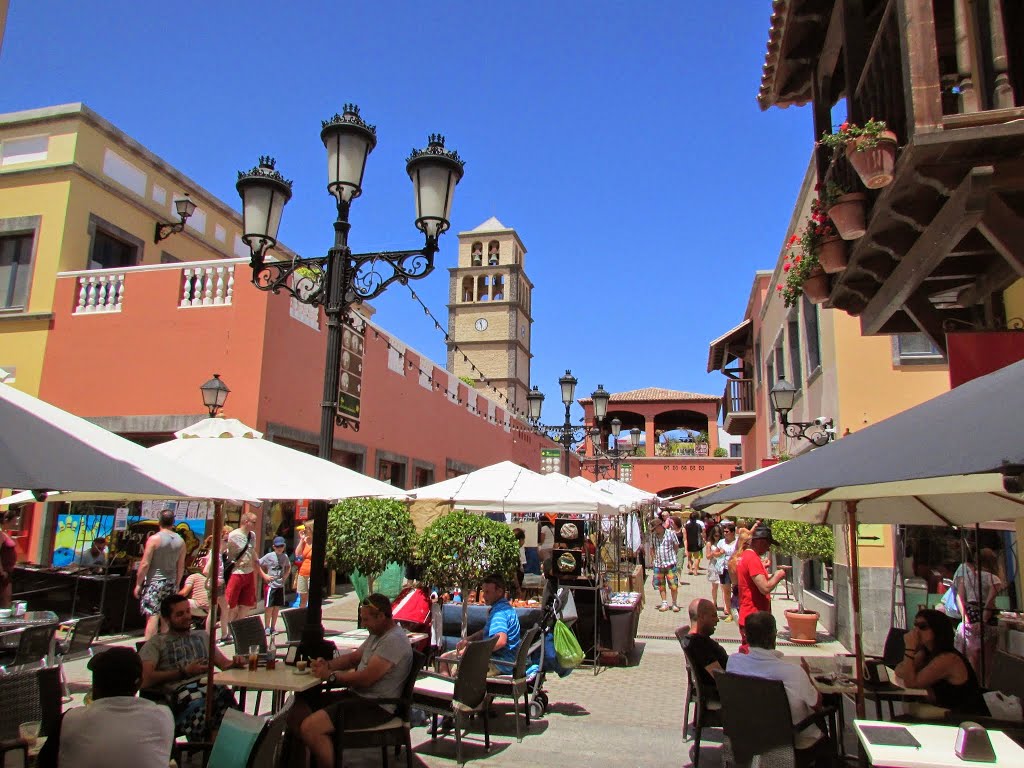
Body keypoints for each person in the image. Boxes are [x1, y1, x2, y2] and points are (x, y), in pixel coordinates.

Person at [291, 593, 413, 768]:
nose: (363, 624)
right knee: (298, 710)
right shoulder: (377, 634)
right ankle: (308, 760)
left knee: (311, 727)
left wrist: (331, 676)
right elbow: (353, 659)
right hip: (356, 698)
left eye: (366, 620)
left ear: (381, 616)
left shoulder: (393, 641)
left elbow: (366, 679)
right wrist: (328, 664)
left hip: (375, 707)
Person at [39, 647, 174, 768]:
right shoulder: (162, 715)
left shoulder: (69, 720)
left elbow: (44, 762)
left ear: (96, 685)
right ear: (138, 683)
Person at [139, 594, 240, 741]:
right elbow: (145, 679)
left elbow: (224, 664)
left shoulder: (202, 636)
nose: (187, 616)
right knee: (199, 708)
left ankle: (227, 747)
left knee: (231, 708)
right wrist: (183, 672)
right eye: (180, 614)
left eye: (187, 611)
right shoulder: (156, 643)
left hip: (211, 688)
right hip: (180, 695)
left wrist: (237, 662)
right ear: (167, 619)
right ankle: (212, 749)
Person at [726, 611, 828, 755]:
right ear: (774, 635)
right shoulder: (794, 672)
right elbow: (816, 704)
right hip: (788, 738)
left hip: (747, 734)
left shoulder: (733, 662)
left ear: (745, 636)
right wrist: (807, 676)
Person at [895, 608, 988, 716]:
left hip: (966, 717)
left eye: (922, 627)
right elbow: (899, 670)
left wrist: (909, 648)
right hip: (945, 712)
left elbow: (910, 683)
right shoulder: (926, 652)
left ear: (937, 630)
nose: (916, 631)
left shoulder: (948, 658)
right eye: (915, 626)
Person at [134, 508, 186, 640]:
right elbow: (180, 566)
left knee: (152, 616)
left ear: (159, 522)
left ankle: (148, 648)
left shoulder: (154, 539)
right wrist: (177, 583)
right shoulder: (181, 541)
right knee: (167, 617)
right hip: (171, 582)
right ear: (173, 522)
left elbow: (145, 564)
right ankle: (165, 647)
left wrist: (138, 584)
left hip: (155, 582)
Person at [953, 547, 1002, 684]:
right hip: (987, 619)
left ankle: (972, 687)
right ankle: (984, 688)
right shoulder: (994, 579)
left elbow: (960, 599)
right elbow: (989, 603)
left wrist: (966, 619)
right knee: (986, 662)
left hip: (969, 615)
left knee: (971, 659)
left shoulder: (966, 578)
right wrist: (983, 620)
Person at [456, 573, 521, 674]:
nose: (484, 596)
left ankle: (451, 689)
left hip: (499, 664)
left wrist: (472, 651)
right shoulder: (504, 608)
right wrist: (469, 639)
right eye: (483, 592)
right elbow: (487, 631)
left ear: (499, 592)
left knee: (449, 663)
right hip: (505, 661)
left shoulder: (499, 614)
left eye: (487, 592)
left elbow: (500, 641)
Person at [736, 524, 787, 651]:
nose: (768, 548)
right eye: (768, 544)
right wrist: (778, 575)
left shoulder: (745, 556)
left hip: (749, 614)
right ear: (760, 542)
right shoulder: (752, 558)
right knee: (756, 655)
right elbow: (764, 588)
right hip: (755, 618)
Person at [683, 598, 728, 696]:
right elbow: (719, 677)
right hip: (721, 693)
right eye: (714, 615)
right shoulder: (698, 644)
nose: (717, 620)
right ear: (702, 617)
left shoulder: (697, 641)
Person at [223, 511, 257, 635]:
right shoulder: (233, 535)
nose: (255, 524)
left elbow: (252, 551)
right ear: (245, 522)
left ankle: (238, 630)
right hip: (236, 571)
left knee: (246, 604)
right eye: (253, 522)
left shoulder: (252, 535)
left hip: (249, 571)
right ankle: (227, 630)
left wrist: (257, 562)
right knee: (231, 605)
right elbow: (226, 552)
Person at [202, 525, 232, 643]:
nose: (227, 543)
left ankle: (224, 634)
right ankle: (209, 636)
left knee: (224, 608)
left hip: (219, 584)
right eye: (226, 540)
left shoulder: (220, 554)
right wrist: (215, 579)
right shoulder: (214, 553)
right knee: (213, 610)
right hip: (215, 585)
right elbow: (205, 570)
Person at [258, 536, 291, 634]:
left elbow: (288, 566)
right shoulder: (269, 556)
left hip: (280, 585)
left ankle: (273, 627)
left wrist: (285, 576)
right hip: (271, 585)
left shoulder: (285, 557)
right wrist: (264, 576)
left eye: (281, 546)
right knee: (269, 607)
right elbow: (258, 563)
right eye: (277, 546)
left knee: (277, 607)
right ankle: (267, 627)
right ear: (274, 547)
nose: (279, 548)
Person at [652, 515, 681, 612]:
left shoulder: (670, 533)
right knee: (661, 585)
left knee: (673, 585)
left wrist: (673, 555)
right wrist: (654, 559)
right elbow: (652, 548)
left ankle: (674, 603)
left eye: (655, 528)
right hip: (658, 564)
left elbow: (676, 545)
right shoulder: (653, 536)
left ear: (660, 526)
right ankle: (664, 603)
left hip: (670, 563)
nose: (655, 530)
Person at [709, 521, 738, 621]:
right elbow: (715, 554)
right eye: (724, 532)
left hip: (735, 569)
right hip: (724, 568)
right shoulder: (721, 542)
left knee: (736, 590)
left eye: (727, 532)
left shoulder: (738, 542)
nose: (725, 533)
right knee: (726, 591)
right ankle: (730, 612)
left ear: (733, 532)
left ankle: (738, 610)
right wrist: (720, 553)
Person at [294, 523, 314, 609]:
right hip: (302, 572)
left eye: (307, 528)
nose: (305, 530)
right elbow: (297, 554)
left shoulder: (317, 542)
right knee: (302, 598)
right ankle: (301, 615)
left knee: (312, 598)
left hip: (312, 573)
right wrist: (301, 540)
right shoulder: (305, 541)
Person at [0, 515, 17, 609]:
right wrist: (1, 571)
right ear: (6, 520)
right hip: (3, 572)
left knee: (7, 599)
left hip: (8, 571)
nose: (16, 523)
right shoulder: (0, 534)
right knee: (4, 599)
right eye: (14, 520)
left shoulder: (6, 533)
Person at [684, 511, 705, 575]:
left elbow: (685, 534)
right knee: (696, 558)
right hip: (696, 542)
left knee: (689, 557)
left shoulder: (686, 525)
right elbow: (701, 534)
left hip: (689, 542)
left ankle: (690, 569)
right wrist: (703, 540)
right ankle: (695, 570)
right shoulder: (698, 525)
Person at [513, 528, 527, 598]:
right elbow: (513, 572)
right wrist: (517, 587)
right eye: (523, 539)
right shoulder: (513, 553)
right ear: (520, 540)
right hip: (514, 586)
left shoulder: (515, 551)